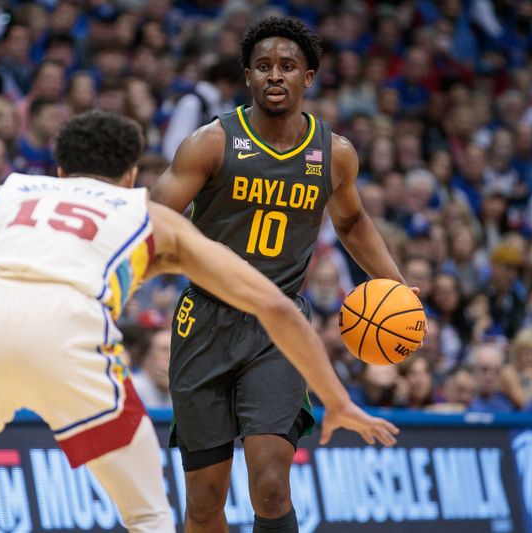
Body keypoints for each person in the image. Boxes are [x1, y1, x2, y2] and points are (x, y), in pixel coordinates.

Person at [0, 110, 397, 533]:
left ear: (60, 169)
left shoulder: (7, 193)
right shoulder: (147, 214)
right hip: (66, 339)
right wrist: (336, 399)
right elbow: (276, 306)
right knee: (150, 518)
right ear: (131, 177)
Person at [149, 18, 411, 532]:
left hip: (279, 326)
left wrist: (396, 284)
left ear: (307, 77)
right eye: (264, 66)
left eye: (287, 66)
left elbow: (354, 222)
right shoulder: (210, 143)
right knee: (205, 501)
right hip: (203, 319)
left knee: (270, 485)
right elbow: (154, 218)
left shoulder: (332, 153)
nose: (275, 75)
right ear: (247, 75)